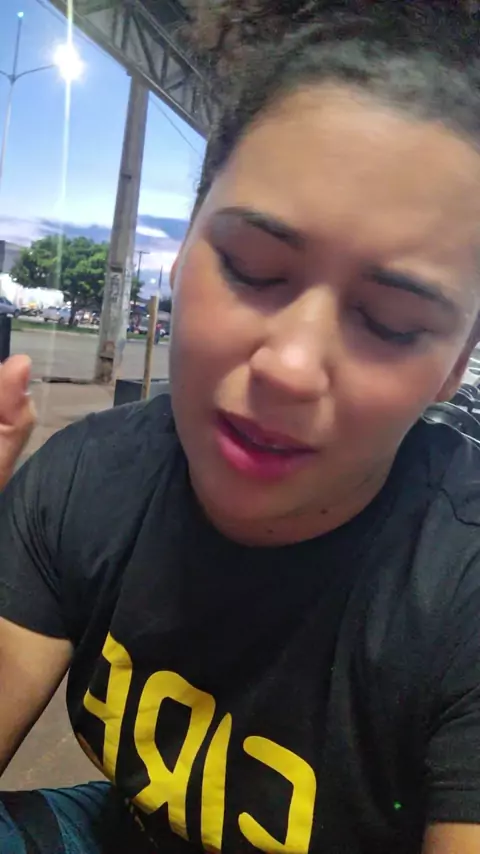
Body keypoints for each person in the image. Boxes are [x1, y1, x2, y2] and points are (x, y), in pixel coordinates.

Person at [2, 4, 480, 852]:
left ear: (453, 366)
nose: (290, 366)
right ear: (183, 252)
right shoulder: (85, 478)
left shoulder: (458, 593)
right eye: (253, 269)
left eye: (392, 322)